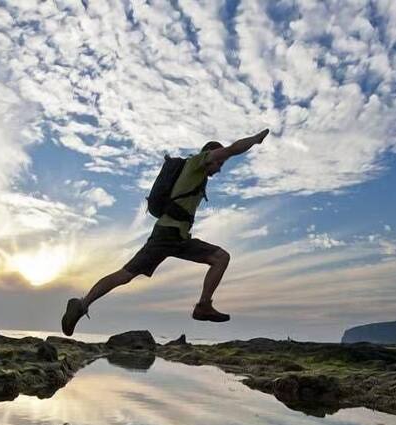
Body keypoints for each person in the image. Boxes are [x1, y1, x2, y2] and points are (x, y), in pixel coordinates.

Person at [61, 129, 271, 336]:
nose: (219, 168)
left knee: (220, 258)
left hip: (178, 237)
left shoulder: (199, 177)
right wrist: (255, 139)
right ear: (210, 156)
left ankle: (203, 306)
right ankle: (82, 304)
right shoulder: (196, 163)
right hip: (166, 235)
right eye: (219, 162)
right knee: (126, 275)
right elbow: (233, 149)